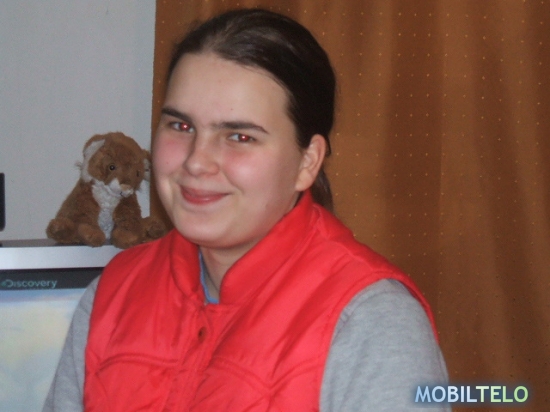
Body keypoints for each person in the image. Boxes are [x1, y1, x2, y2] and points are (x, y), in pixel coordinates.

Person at [43, 8, 449, 412]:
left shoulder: (369, 321)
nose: (196, 162)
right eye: (181, 126)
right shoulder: (114, 294)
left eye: (239, 136)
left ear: (307, 161)